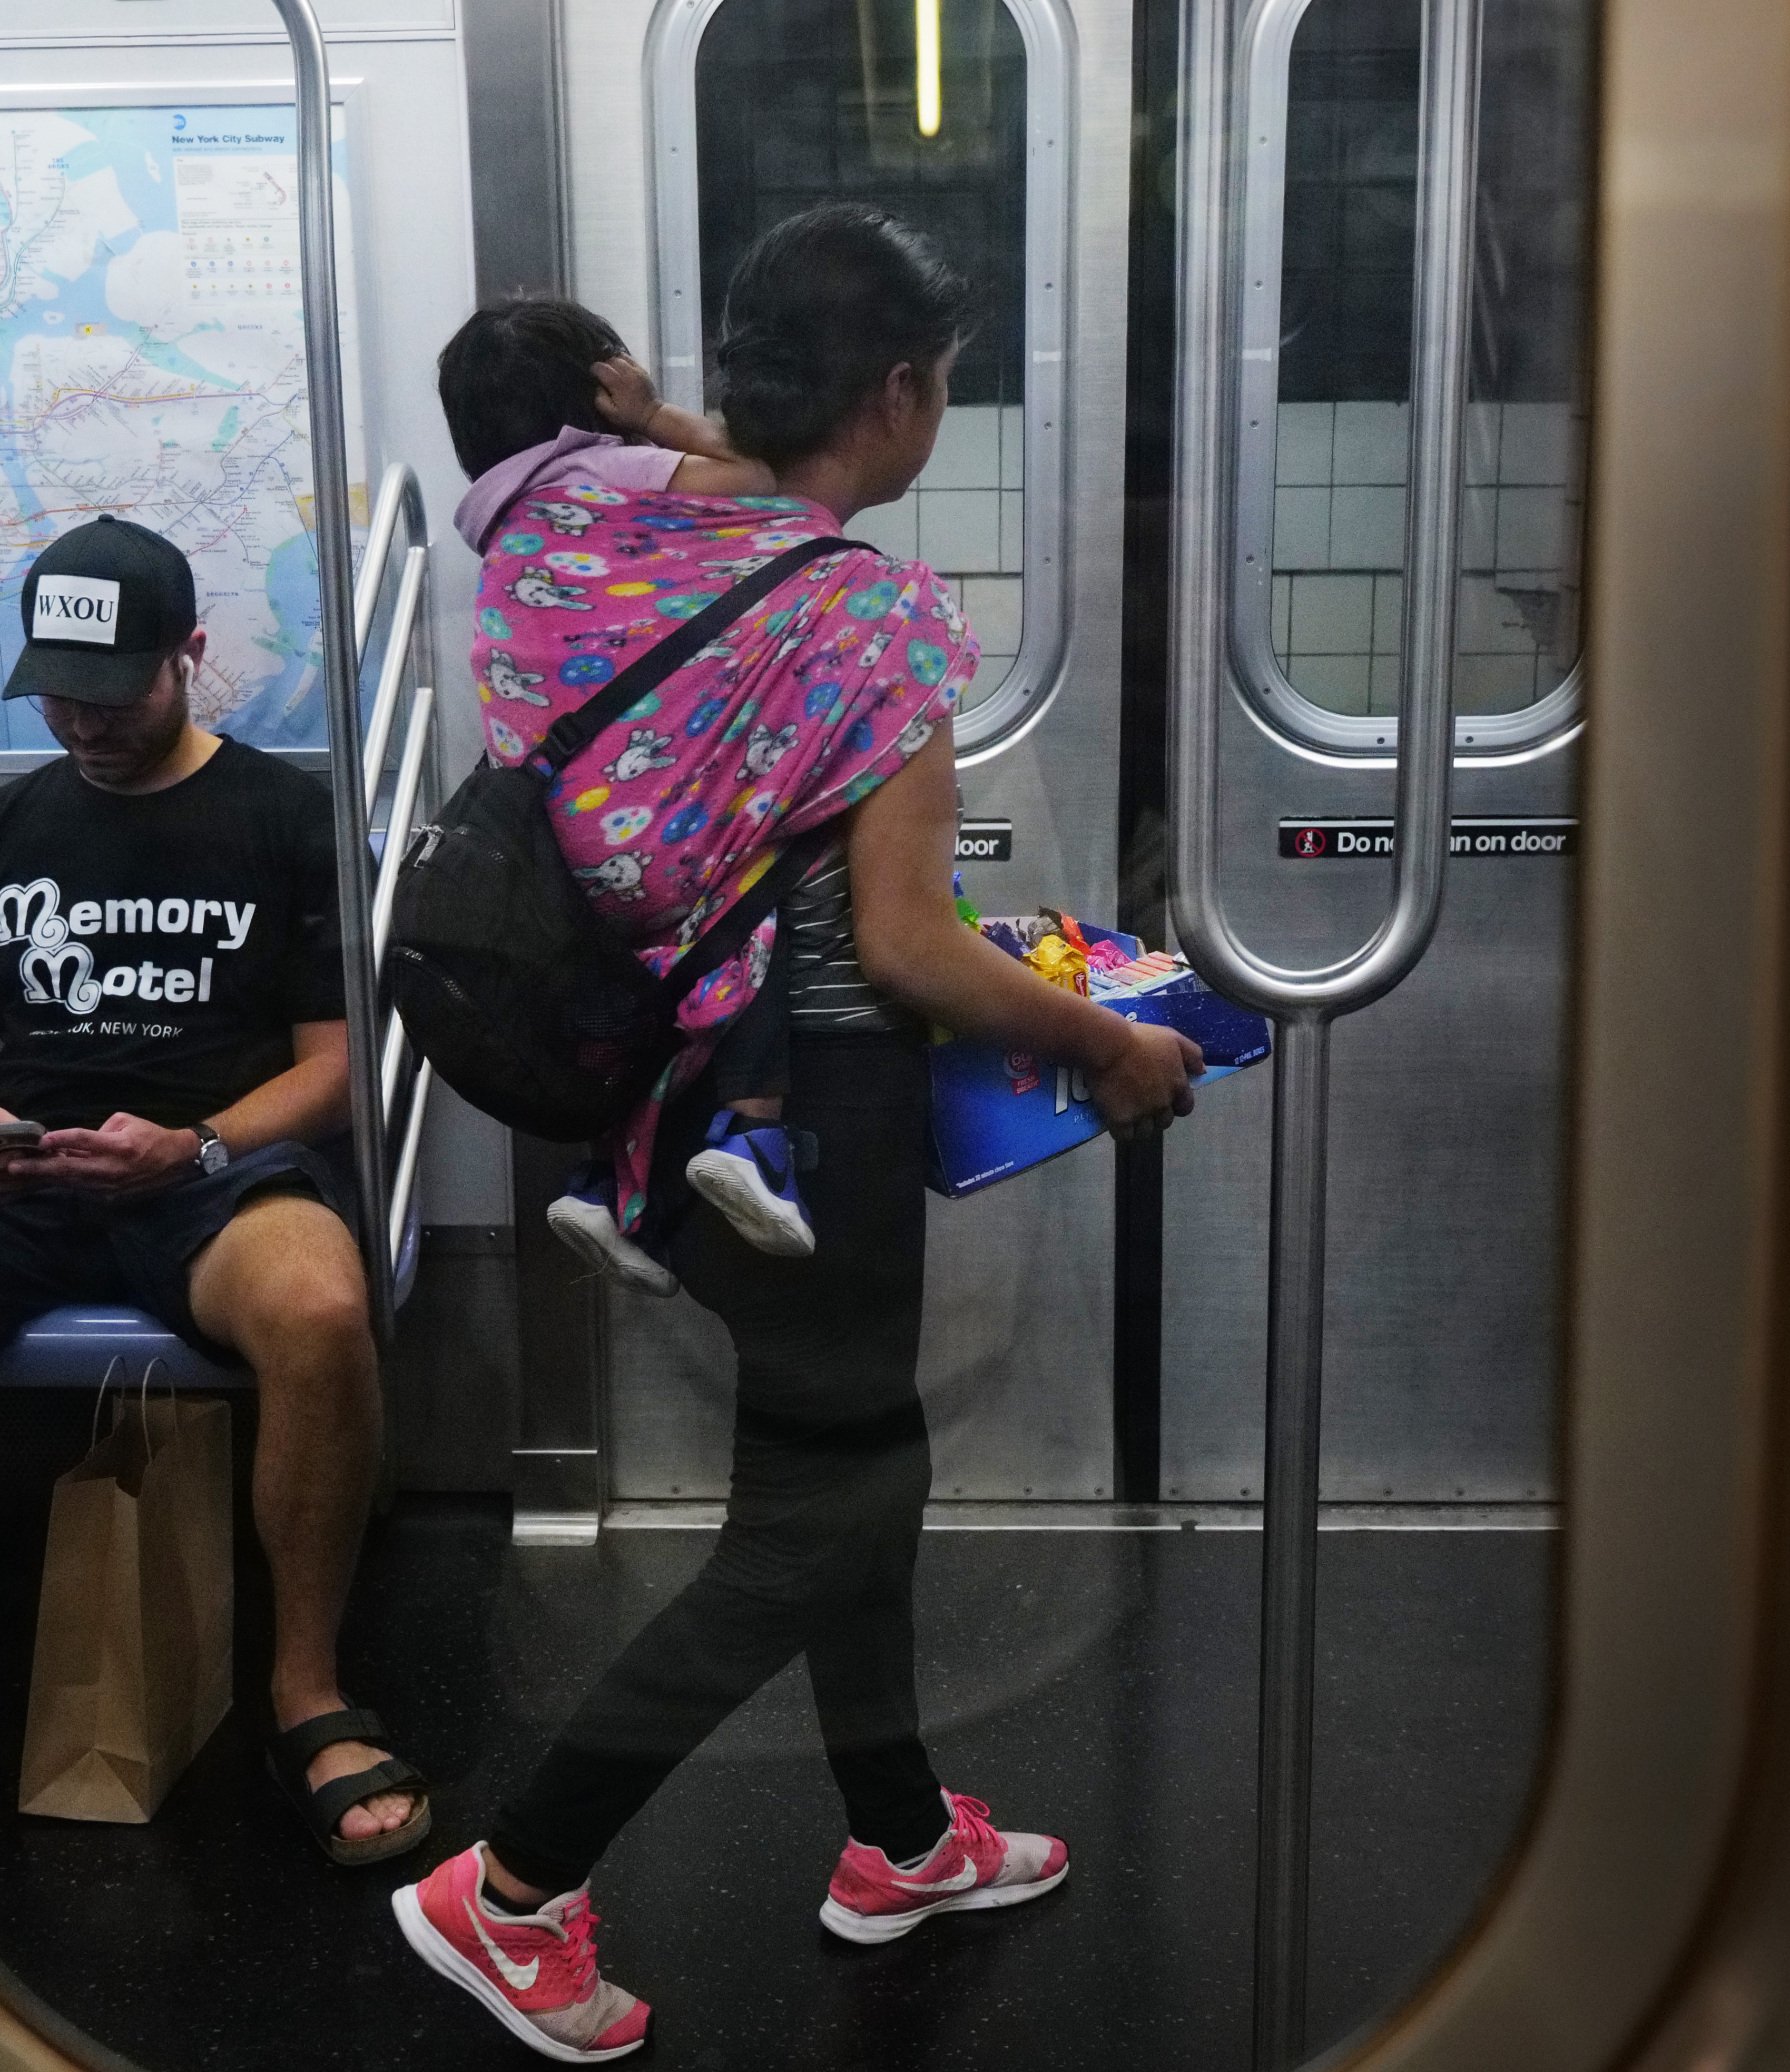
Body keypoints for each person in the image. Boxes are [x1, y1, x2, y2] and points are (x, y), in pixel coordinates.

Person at [392, 208, 1202, 2061]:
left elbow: (670, 455)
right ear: (906, 392)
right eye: (944, 388)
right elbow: (911, 941)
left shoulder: (573, 513)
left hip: (650, 1085)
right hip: (817, 1111)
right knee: (805, 1515)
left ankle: (900, 1835)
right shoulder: (869, 615)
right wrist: (1106, 1046)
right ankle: (510, 1885)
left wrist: (663, 414)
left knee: (856, 1462)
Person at [0, 515, 430, 1866]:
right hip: (20, 1183)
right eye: (58, 696)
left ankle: (308, 1689)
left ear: (191, 657)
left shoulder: (284, 820)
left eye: (114, 694)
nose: (85, 725)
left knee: (323, 1309)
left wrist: (195, 1144)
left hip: (209, 1175)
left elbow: (335, 1069)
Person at [435, 296, 819, 1295]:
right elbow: (769, 480)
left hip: (555, 830)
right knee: (756, 876)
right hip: (638, 826)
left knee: (648, 967)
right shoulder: (615, 472)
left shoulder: (501, 520)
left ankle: (608, 1183)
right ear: (594, 396)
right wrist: (655, 419)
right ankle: (756, 1132)